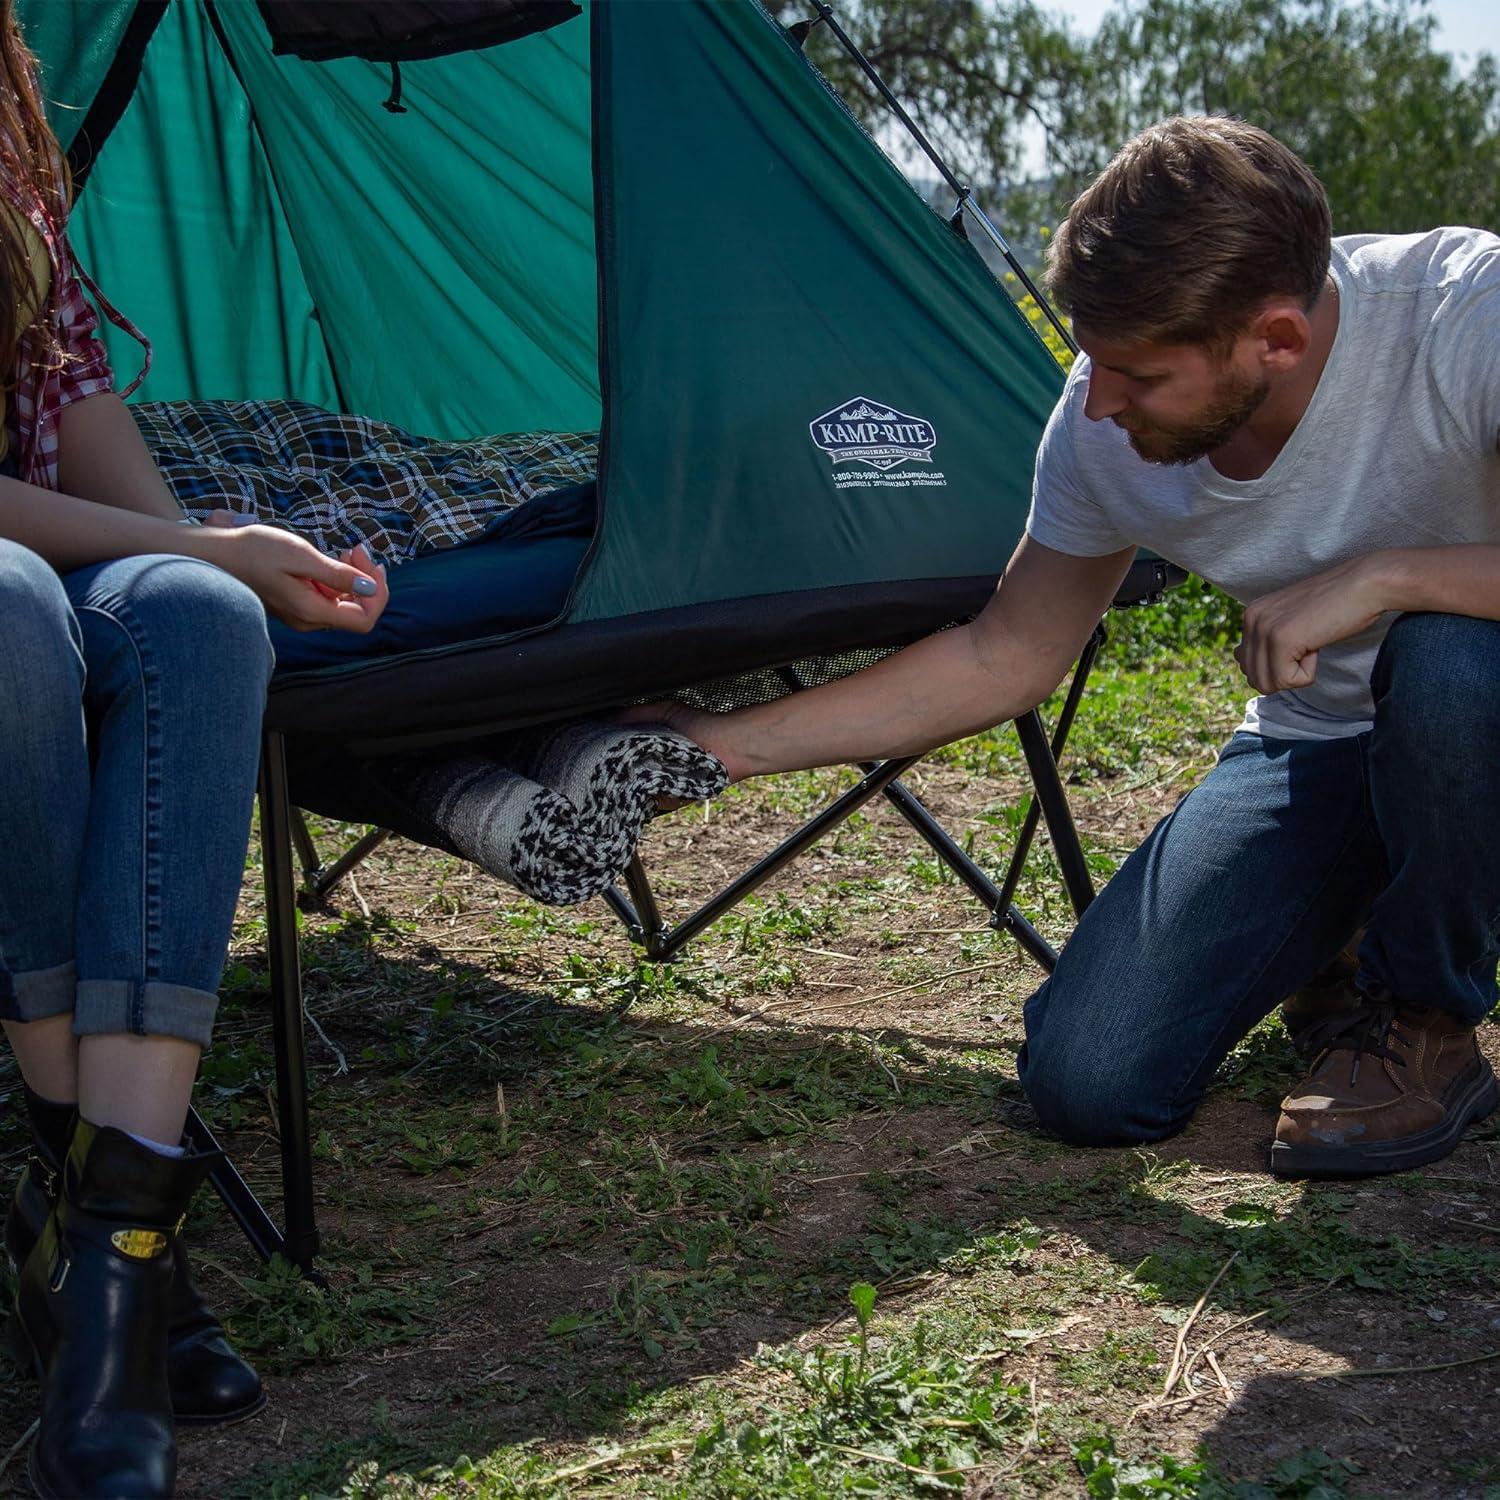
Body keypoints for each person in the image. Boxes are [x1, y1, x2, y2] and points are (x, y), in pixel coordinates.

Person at [651, 116, 1500, 1180]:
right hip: (1327, 746)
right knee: (1090, 1079)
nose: (1100, 403)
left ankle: (1426, 1019)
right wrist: (715, 745)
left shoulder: (1466, 317)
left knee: (1452, 657)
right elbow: (1005, 653)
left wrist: (1391, 577)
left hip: (1478, 720)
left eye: (1138, 376)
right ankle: (1341, 924)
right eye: (1092, 363)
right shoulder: (1098, 417)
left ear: (1276, 341)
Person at [0, 7, 390, 1496]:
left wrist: (227, 556)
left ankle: (106, 1255)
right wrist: (198, 541)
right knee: (15, 608)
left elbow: (82, 427)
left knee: (196, 614)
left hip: (38, 562)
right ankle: (102, 1220)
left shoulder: (9, 162)